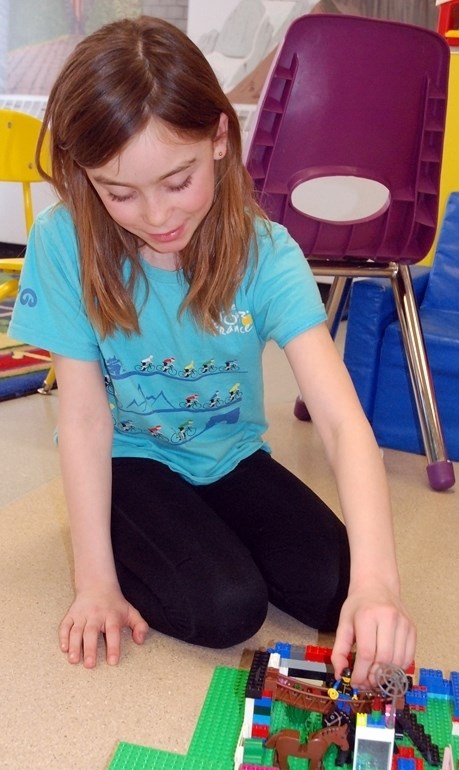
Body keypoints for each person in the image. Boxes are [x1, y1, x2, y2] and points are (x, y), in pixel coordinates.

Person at [9, 16, 415, 685]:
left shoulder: (266, 251)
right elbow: (83, 419)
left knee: (335, 584)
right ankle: (119, 529)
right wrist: (94, 583)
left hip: (228, 454)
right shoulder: (64, 243)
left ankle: (197, 531)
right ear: (88, 177)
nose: (157, 215)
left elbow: (343, 425)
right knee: (227, 608)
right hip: (129, 459)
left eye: (177, 180)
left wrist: (378, 584)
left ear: (219, 138)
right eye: (119, 193)